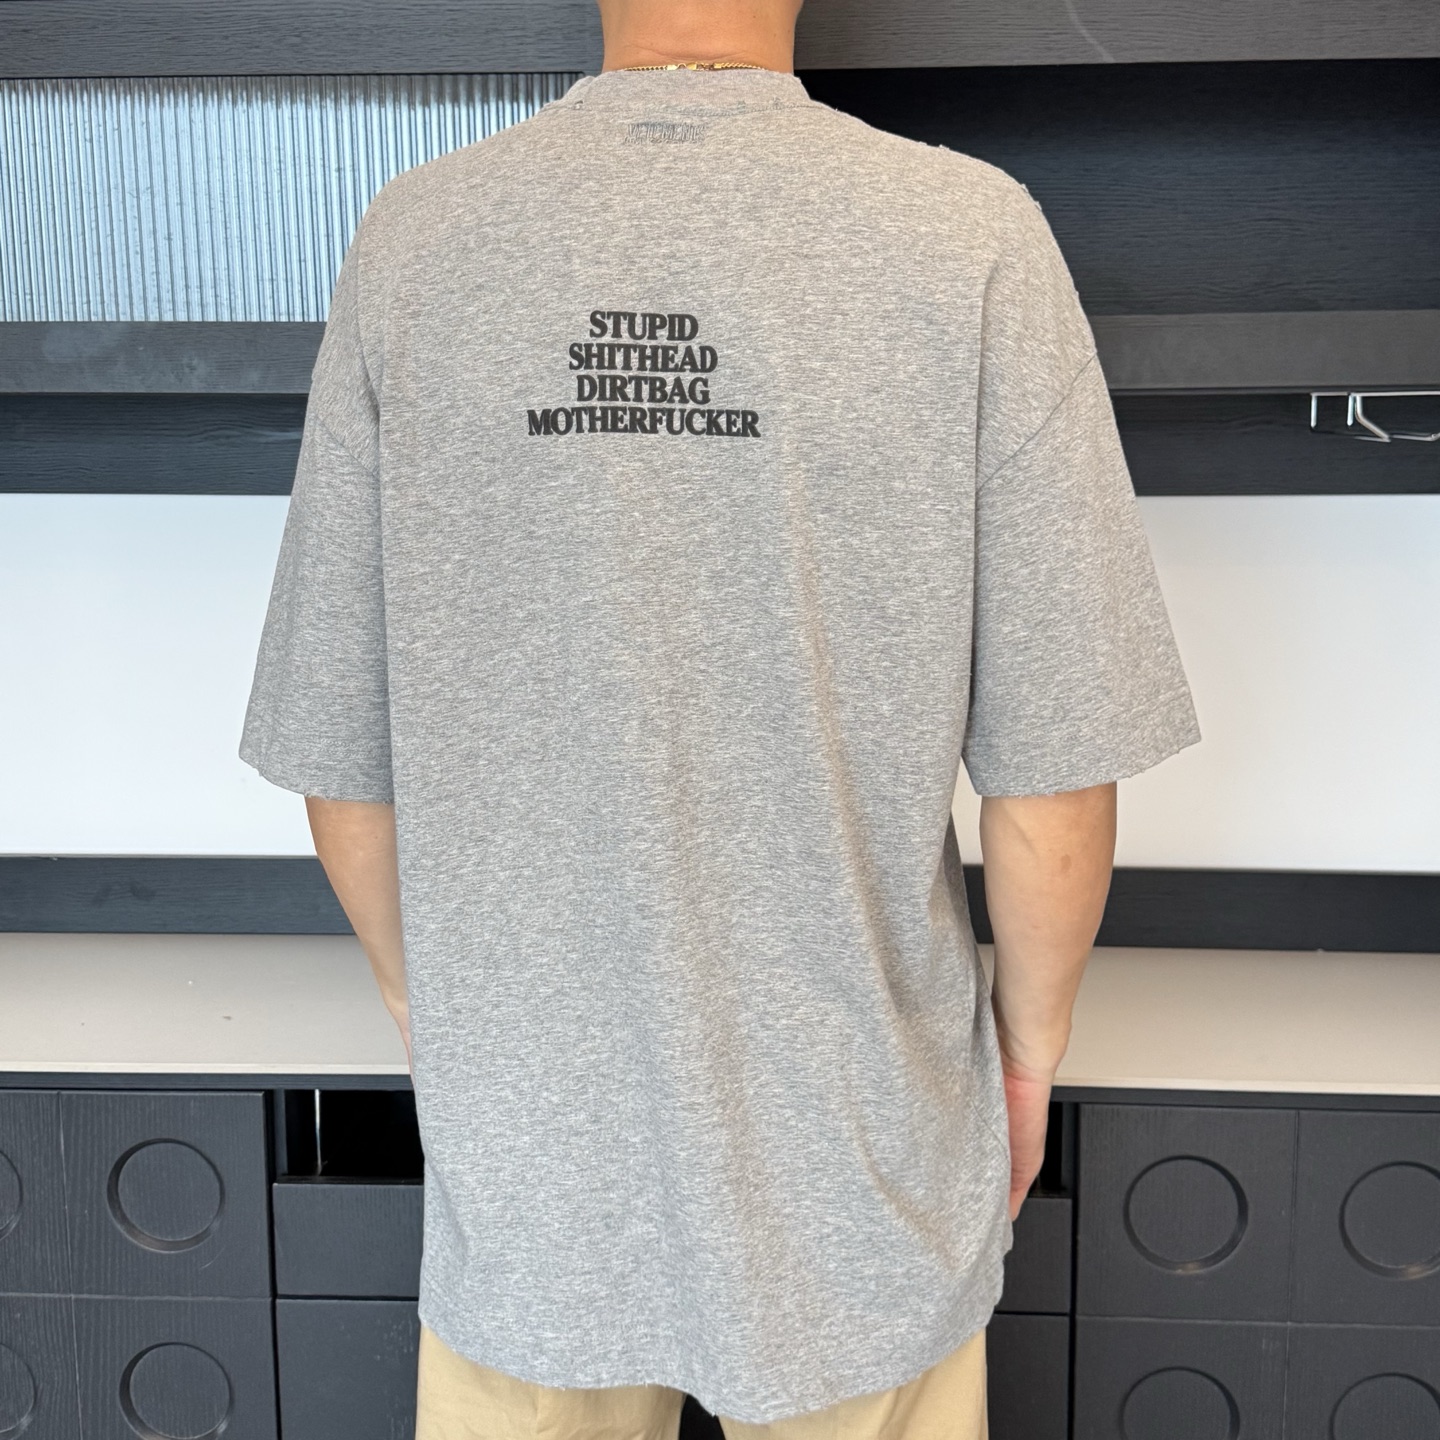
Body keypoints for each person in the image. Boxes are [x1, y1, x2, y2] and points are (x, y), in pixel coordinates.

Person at [239, 1, 1201, 1435]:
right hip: (863, 1153)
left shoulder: (416, 242)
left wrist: (434, 1020)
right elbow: (1056, 780)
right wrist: (1026, 1058)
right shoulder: (971, 237)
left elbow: (344, 772)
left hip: (536, 1161)